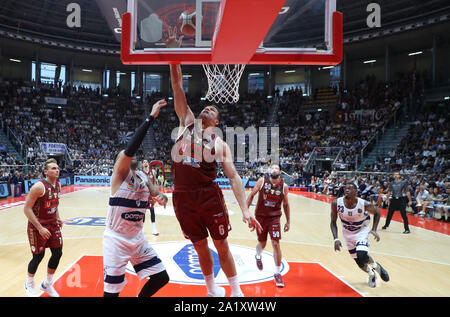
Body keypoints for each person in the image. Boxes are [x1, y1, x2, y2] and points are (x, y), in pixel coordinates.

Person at [164, 27, 262, 297]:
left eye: (213, 110)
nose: (207, 108)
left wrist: (244, 210)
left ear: (217, 122)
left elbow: (233, 177)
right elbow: (176, 84)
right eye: (207, 106)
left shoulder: (220, 144)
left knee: (221, 245)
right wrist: (174, 53)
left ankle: (235, 290)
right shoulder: (186, 121)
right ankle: (211, 290)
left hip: (208, 196)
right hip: (182, 196)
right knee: (199, 247)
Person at [102, 99, 170, 297]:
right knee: (111, 295)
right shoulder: (120, 174)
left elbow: (154, 191)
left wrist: (160, 197)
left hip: (137, 239)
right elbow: (130, 148)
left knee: (161, 277)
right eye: (126, 155)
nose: (132, 155)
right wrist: (150, 118)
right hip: (116, 240)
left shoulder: (141, 175)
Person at [330, 183, 390, 288]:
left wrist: (374, 229)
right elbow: (333, 222)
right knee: (359, 262)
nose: (347, 190)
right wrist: (336, 239)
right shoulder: (336, 203)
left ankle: (376, 266)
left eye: (350, 188)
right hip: (347, 233)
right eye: (345, 188)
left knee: (362, 255)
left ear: (356, 192)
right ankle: (371, 274)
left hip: (361, 231)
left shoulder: (364, 204)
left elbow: (377, 212)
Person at [23, 158, 63, 297]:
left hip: (52, 224)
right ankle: (29, 285)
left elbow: (54, 204)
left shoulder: (58, 185)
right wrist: (40, 228)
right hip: (37, 226)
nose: (56, 170)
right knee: (38, 256)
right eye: (53, 168)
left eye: (57, 168)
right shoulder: (38, 187)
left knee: (57, 253)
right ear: (45, 172)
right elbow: (26, 209)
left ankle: (47, 284)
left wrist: (57, 217)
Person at [246, 164, 290, 288]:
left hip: (275, 217)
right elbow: (251, 195)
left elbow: (286, 205)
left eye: (276, 168)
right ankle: (258, 255)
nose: (274, 169)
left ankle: (277, 273)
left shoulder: (284, 186)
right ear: (269, 171)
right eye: (272, 168)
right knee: (262, 243)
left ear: (280, 172)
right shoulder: (262, 181)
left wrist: (288, 221)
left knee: (276, 243)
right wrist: (246, 212)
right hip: (260, 216)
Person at [142, 159, 159, 236]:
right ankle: (141, 230)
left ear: (148, 163)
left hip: (151, 195)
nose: (145, 163)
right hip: (143, 195)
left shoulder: (153, 172)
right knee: (142, 212)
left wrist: (156, 194)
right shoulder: (140, 173)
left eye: (146, 162)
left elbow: (155, 182)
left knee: (152, 211)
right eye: (144, 162)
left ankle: (154, 229)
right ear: (142, 164)